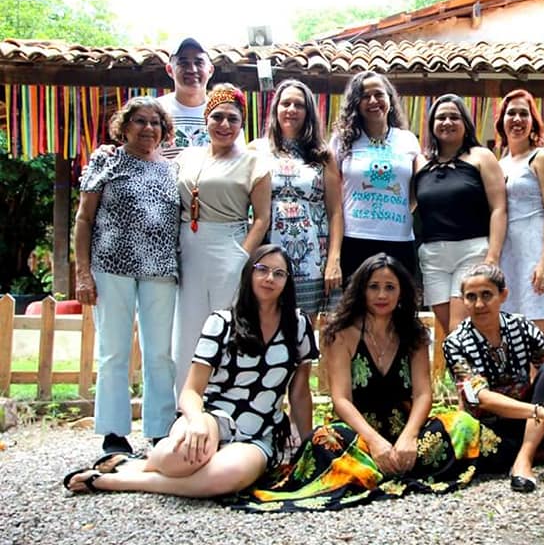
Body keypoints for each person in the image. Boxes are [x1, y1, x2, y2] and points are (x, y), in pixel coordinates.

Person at [232, 254, 493, 512]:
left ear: (401, 292)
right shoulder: (342, 333)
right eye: (374, 287)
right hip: (358, 437)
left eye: (390, 287)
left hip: (405, 432)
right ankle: (389, 467)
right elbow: (341, 399)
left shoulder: (414, 334)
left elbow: (424, 394)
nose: (382, 295)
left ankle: (380, 470)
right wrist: (375, 443)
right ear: (361, 290)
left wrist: (410, 437)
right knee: (326, 439)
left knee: (463, 424)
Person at [63, 245, 317, 497]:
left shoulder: (298, 325)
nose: (269, 278)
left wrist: (308, 449)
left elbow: (300, 394)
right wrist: (196, 422)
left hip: (259, 432)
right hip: (212, 417)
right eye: (262, 269)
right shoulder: (222, 322)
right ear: (249, 273)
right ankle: (143, 464)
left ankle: (120, 477)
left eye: (279, 273)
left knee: (223, 477)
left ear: (288, 282)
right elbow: (191, 391)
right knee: (180, 458)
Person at [74, 97, 179, 454]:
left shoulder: (173, 169)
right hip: (111, 266)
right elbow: (84, 219)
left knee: (160, 353)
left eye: (155, 122)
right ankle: (114, 432)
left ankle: (160, 429)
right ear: (125, 126)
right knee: (113, 351)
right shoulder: (106, 160)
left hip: (161, 269)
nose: (148, 128)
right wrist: (83, 273)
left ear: (163, 130)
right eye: (140, 121)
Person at [173, 83, 271, 394]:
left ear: (242, 124)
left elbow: (262, 218)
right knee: (187, 327)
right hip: (188, 246)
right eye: (217, 117)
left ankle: (225, 402)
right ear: (206, 119)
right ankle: (184, 404)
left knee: (226, 326)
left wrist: (241, 256)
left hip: (230, 244)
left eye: (232, 118)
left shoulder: (254, 161)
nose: (224, 124)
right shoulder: (187, 156)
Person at [443, 264, 544, 493]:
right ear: (463, 301)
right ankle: (535, 451)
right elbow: (481, 398)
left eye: (486, 295)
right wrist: (538, 412)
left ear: (503, 295)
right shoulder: (455, 342)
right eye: (471, 297)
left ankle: (524, 458)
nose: (479, 304)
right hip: (490, 426)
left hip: (529, 421)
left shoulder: (520, 326)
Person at [415, 94, 507, 343]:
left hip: (471, 250)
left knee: (459, 327)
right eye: (441, 117)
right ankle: (471, 369)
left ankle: (477, 370)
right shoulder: (421, 163)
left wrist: (493, 256)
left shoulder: (481, 156)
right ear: (432, 124)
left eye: (454, 117)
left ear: (465, 123)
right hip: (433, 256)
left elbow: (499, 208)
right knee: (452, 334)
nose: (447, 122)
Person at [250, 78, 344, 317]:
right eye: (286, 104)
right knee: (265, 322)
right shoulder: (256, 151)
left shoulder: (323, 155)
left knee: (303, 327)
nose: (291, 109)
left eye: (299, 105)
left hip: (312, 257)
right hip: (267, 253)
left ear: (308, 112)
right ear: (276, 109)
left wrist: (333, 259)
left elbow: (335, 211)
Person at [330, 71, 421, 282]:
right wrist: (334, 255)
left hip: (399, 240)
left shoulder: (407, 140)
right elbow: (333, 201)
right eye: (365, 96)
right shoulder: (341, 141)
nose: (373, 101)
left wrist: (395, 209)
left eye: (379, 94)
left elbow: (416, 189)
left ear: (390, 99)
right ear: (356, 103)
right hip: (354, 239)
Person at [496, 89, 544, 336]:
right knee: (509, 328)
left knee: (536, 331)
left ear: (533, 121)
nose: (517, 119)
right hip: (508, 250)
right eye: (511, 113)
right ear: (502, 121)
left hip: (535, 247)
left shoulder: (541, 157)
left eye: (524, 114)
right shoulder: (500, 163)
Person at [159, 38, 216, 159]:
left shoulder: (222, 112)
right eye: (183, 63)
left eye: (199, 63)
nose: (192, 70)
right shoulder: (155, 110)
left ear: (210, 70)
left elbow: (235, 160)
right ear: (169, 70)